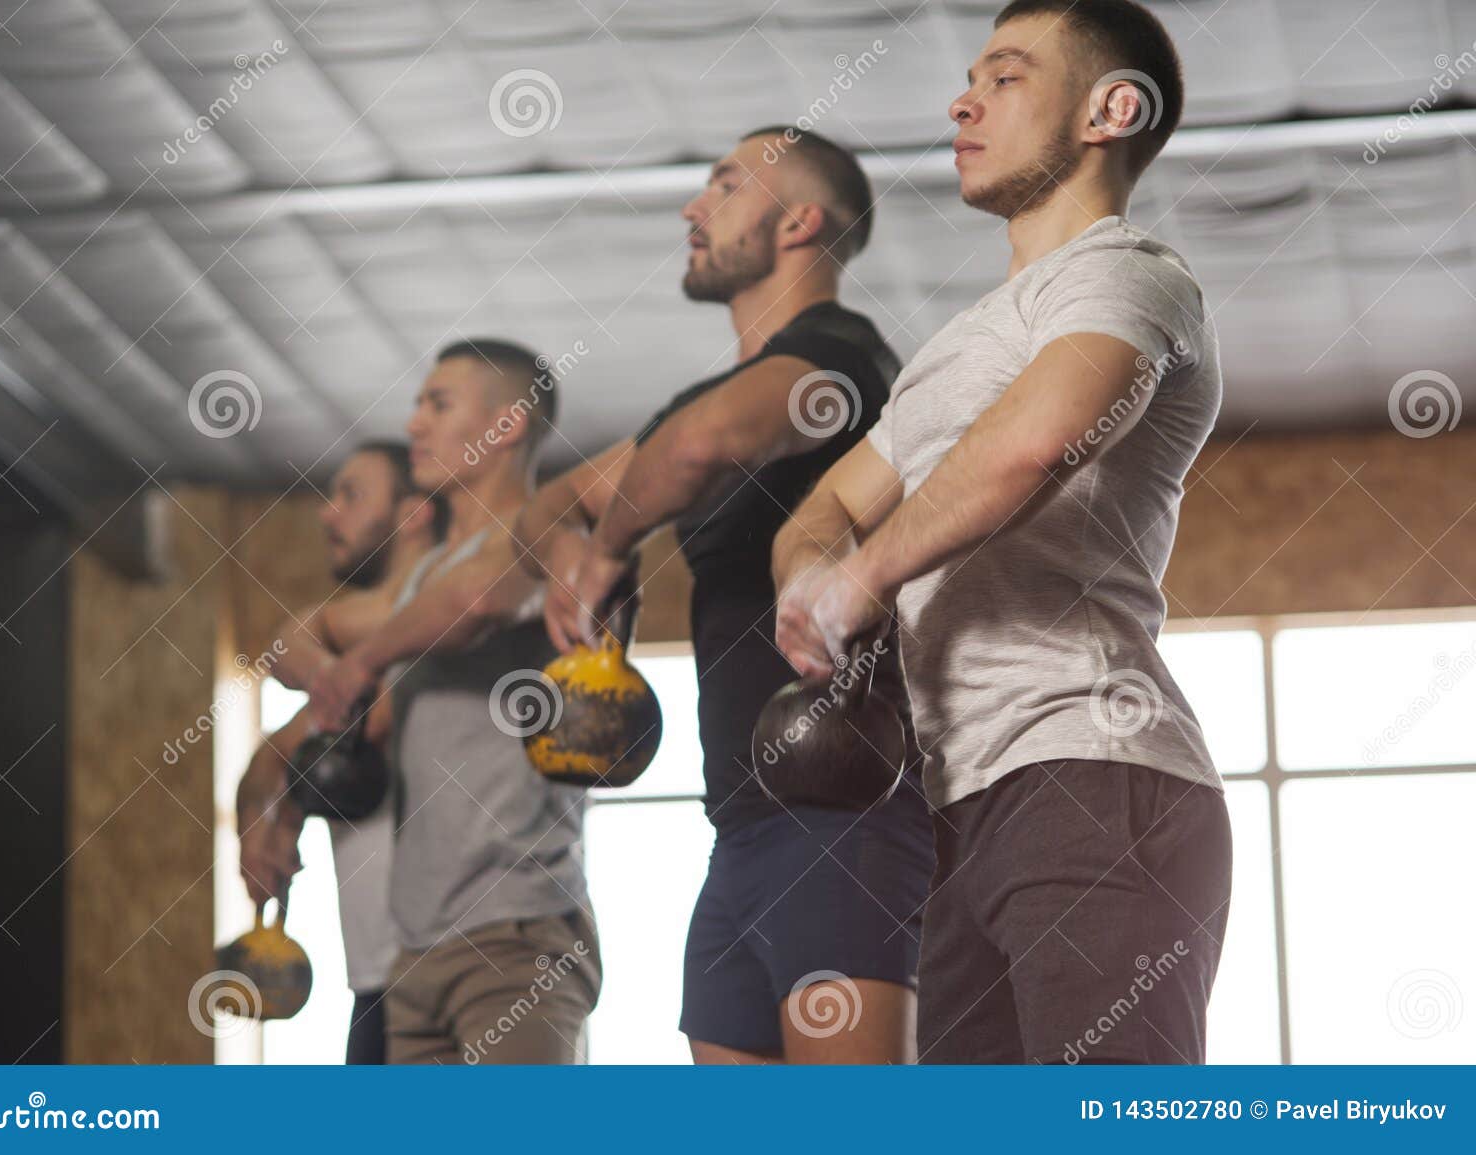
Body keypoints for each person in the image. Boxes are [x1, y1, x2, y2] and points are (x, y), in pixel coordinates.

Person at [771, 0, 1233, 1064]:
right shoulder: (956, 345)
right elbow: (826, 508)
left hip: (1090, 768)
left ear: (1111, 109)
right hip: (957, 801)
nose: (962, 98)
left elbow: (1039, 442)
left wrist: (862, 579)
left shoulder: (1129, 277)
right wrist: (812, 580)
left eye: (1008, 74)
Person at [512, 128, 933, 1064]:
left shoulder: (840, 358)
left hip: (842, 818)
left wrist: (612, 542)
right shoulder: (701, 405)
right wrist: (568, 564)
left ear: (801, 222)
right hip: (739, 830)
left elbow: (701, 447)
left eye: (726, 185)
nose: (692, 208)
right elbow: (547, 504)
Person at [300, 340, 600, 1065]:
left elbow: (476, 602)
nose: (414, 425)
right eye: (416, 406)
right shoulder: (422, 572)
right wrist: (325, 673)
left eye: (438, 404)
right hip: (416, 951)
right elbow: (297, 634)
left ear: (507, 425)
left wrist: (364, 658)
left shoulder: (549, 530)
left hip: (516, 934)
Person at [238, 440, 443, 1064]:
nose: (329, 515)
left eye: (352, 496)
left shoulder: (451, 614)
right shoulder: (359, 646)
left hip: (458, 967)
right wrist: (266, 828)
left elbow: (374, 716)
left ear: (412, 515)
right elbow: (268, 761)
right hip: (376, 982)